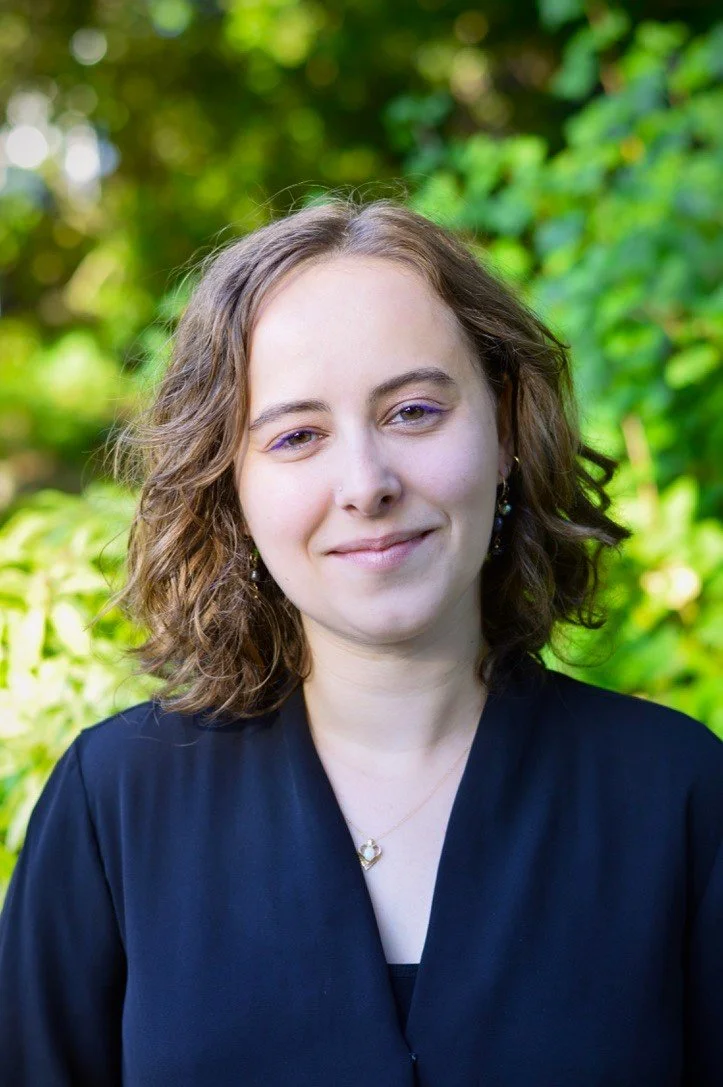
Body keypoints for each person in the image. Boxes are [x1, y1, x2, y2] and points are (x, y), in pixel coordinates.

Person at [0, 197, 721, 1087]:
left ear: (504, 430)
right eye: (296, 435)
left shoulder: (679, 794)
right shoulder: (113, 805)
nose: (365, 483)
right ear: (231, 486)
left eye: (413, 411)